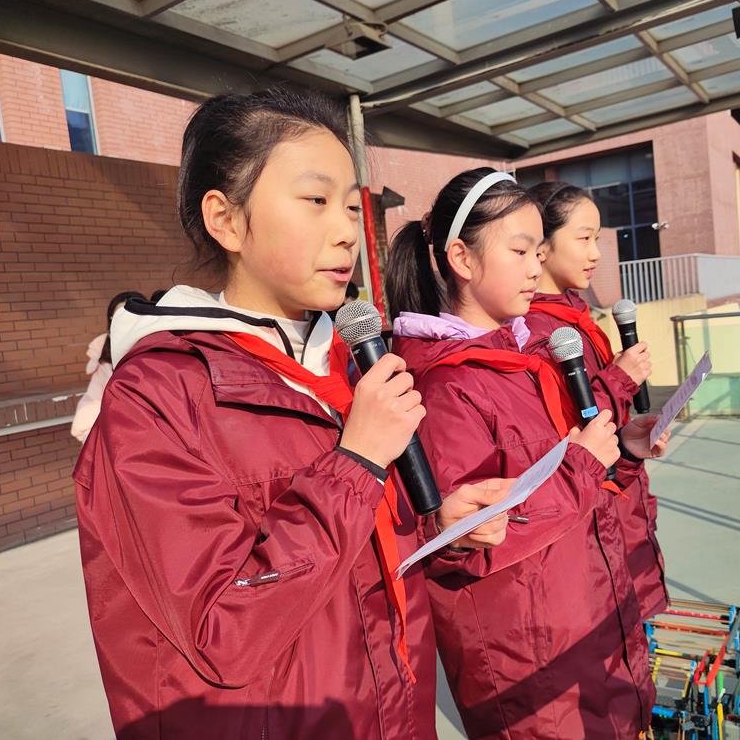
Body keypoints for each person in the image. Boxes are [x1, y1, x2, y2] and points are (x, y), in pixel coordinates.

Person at [74, 88, 505, 740]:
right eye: (315, 200)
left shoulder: (344, 363)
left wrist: (436, 526)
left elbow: (355, 560)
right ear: (226, 220)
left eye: (351, 206)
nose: (347, 230)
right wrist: (357, 461)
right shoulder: (156, 396)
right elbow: (220, 629)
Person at [385, 167, 661, 739]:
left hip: (585, 616)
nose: (536, 267)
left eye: (538, 251)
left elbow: (574, 488)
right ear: (462, 258)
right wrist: (583, 464)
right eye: (519, 251)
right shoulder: (444, 385)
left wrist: (623, 454)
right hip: (529, 660)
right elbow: (470, 544)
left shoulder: (528, 357)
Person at [524, 181, 670, 623]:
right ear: (543, 246)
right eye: (584, 238)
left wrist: (631, 437)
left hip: (620, 501)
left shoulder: (575, 316)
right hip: (594, 519)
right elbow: (568, 432)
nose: (596, 253)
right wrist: (619, 379)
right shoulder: (535, 331)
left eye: (598, 239)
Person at [70, 290, 143, 443]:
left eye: (129, 317)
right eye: (116, 318)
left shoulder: (160, 351)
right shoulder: (105, 360)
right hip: (118, 441)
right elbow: (91, 404)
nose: (123, 323)